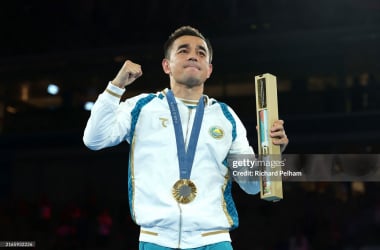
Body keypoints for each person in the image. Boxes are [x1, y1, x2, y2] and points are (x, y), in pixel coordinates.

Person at [83, 26, 289, 250]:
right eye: (183, 50)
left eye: (201, 53)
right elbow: (94, 139)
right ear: (166, 65)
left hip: (214, 240)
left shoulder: (225, 116)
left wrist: (271, 152)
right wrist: (116, 86)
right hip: (156, 240)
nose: (193, 55)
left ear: (209, 69)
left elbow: (250, 185)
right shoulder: (141, 108)